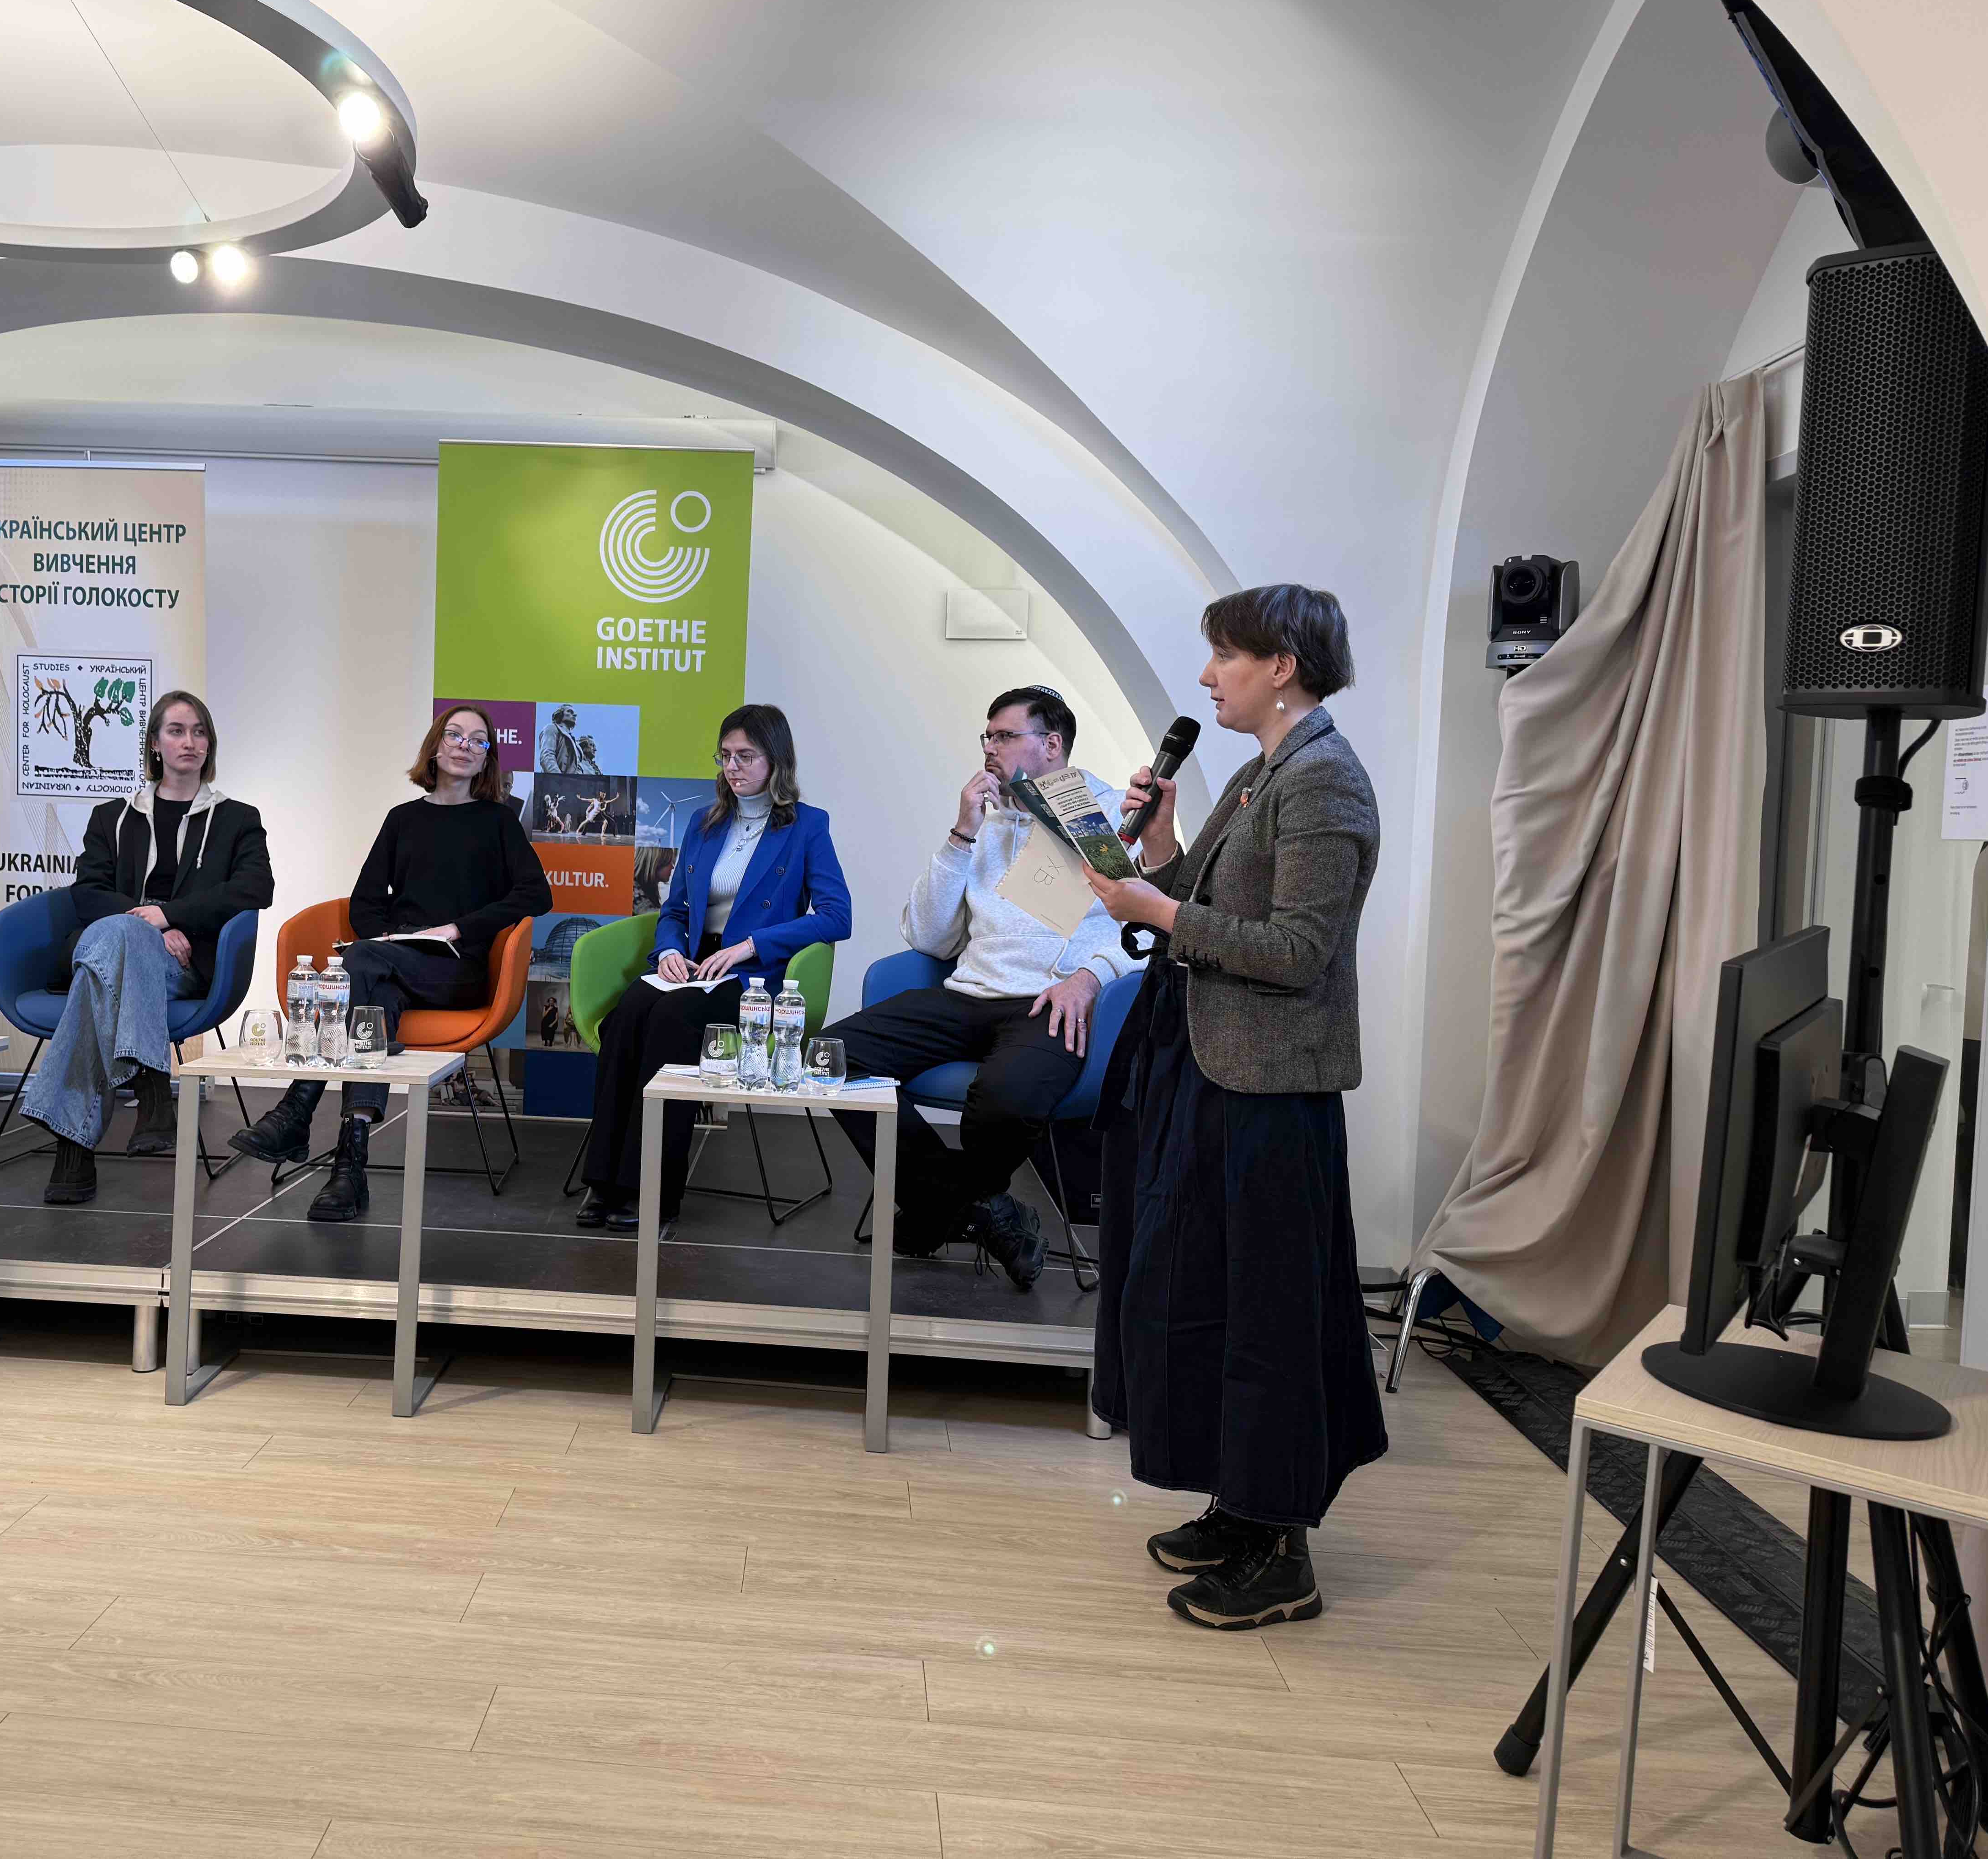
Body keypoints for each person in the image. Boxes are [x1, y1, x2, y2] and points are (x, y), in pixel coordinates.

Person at [1084, 584, 1385, 1632]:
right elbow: (1209, 912)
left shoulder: (1324, 780)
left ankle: (1283, 1551)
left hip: (1270, 1089)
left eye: (1225, 657)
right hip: (1213, 1070)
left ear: (1282, 666)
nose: (1208, 677)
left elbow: (1297, 953)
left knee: (1268, 1316)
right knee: (1208, 1295)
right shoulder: (1264, 773)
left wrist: (1157, 907)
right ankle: (1242, 1507)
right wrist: (1163, 851)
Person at [814, 685, 1128, 1289]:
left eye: (1005, 736)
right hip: (967, 993)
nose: (989, 748)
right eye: (987, 736)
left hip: (1049, 1000)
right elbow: (929, 938)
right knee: (828, 1059)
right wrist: (961, 834)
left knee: (1004, 1101)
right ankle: (979, 1209)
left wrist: (1089, 979)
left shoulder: (1101, 815)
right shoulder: (986, 821)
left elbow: (1136, 930)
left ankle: (937, 1210)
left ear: (1052, 745)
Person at [231, 705, 550, 1220]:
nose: (465, 746)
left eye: (479, 741)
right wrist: (382, 938)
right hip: (391, 967)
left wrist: (458, 928)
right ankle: (349, 1169)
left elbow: (537, 894)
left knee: (361, 965)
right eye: (455, 735)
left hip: (456, 971)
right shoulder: (403, 819)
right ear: (435, 746)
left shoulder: (498, 822)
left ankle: (298, 1108)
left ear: (487, 758)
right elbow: (364, 901)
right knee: (372, 1004)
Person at [577, 705, 850, 1233]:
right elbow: (676, 909)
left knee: (671, 1021)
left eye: (746, 756)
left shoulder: (808, 826)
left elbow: (837, 917)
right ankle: (604, 1180)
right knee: (628, 1014)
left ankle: (654, 1190)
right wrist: (667, 952)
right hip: (696, 963)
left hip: (755, 978)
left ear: (776, 759)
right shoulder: (706, 823)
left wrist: (751, 945)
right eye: (725, 756)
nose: (733, 767)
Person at [24, 692, 272, 1204]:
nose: (190, 741)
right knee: (124, 937)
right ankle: (153, 1083)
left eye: (199, 732)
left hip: (184, 965)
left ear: (210, 745)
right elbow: (88, 893)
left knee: (98, 975)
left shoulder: (237, 819)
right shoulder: (112, 816)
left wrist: (172, 916)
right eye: (177, 731)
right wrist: (151, 925)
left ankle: (74, 1144)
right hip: (120, 947)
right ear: (155, 744)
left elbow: (255, 889)